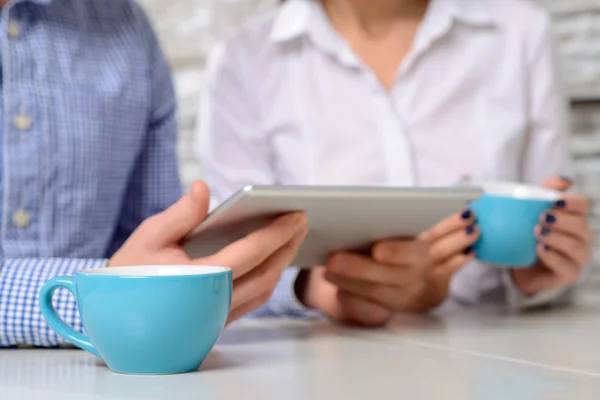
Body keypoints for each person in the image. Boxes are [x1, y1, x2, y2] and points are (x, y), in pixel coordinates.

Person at [196, 0, 593, 326]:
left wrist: (541, 273)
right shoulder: (244, 61)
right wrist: (319, 287)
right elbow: (224, 267)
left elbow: (551, 225)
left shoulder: (521, 34)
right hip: (324, 364)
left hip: (499, 360)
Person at [0, 0, 308, 348]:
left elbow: (154, 252)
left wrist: (306, 285)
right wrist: (104, 295)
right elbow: (136, 276)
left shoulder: (126, 28)